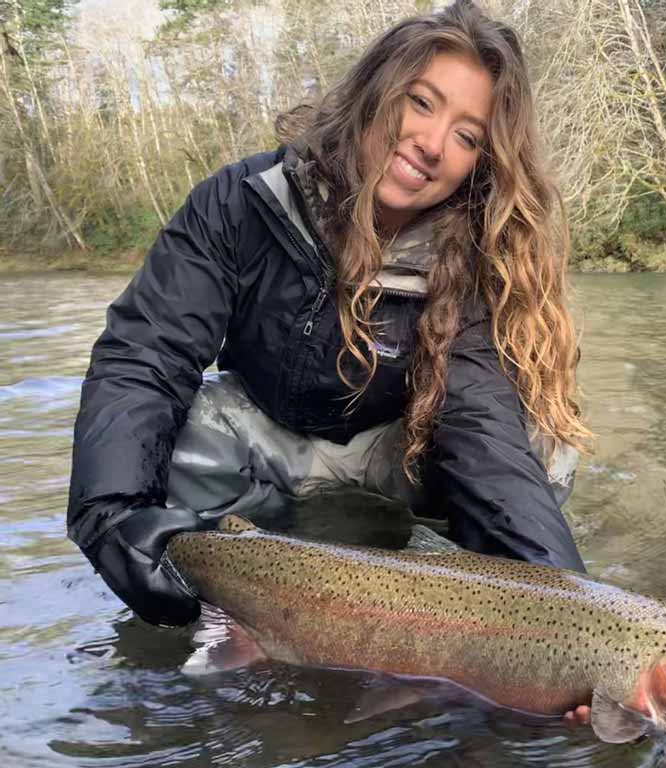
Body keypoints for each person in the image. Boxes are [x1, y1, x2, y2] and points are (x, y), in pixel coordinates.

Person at [66, 0, 591, 638]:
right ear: (375, 92)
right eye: (421, 102)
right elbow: (146, 355)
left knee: (547, 449)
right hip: (266, 446)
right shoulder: (240, 202)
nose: (430, 144)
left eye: (466, 136)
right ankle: (217, 599)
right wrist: (113, 514)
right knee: (186, 423)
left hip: (391, 452)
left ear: (481, 163)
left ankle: (442, 595)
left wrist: (568, 627)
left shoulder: (472, 259)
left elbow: (481, 431)